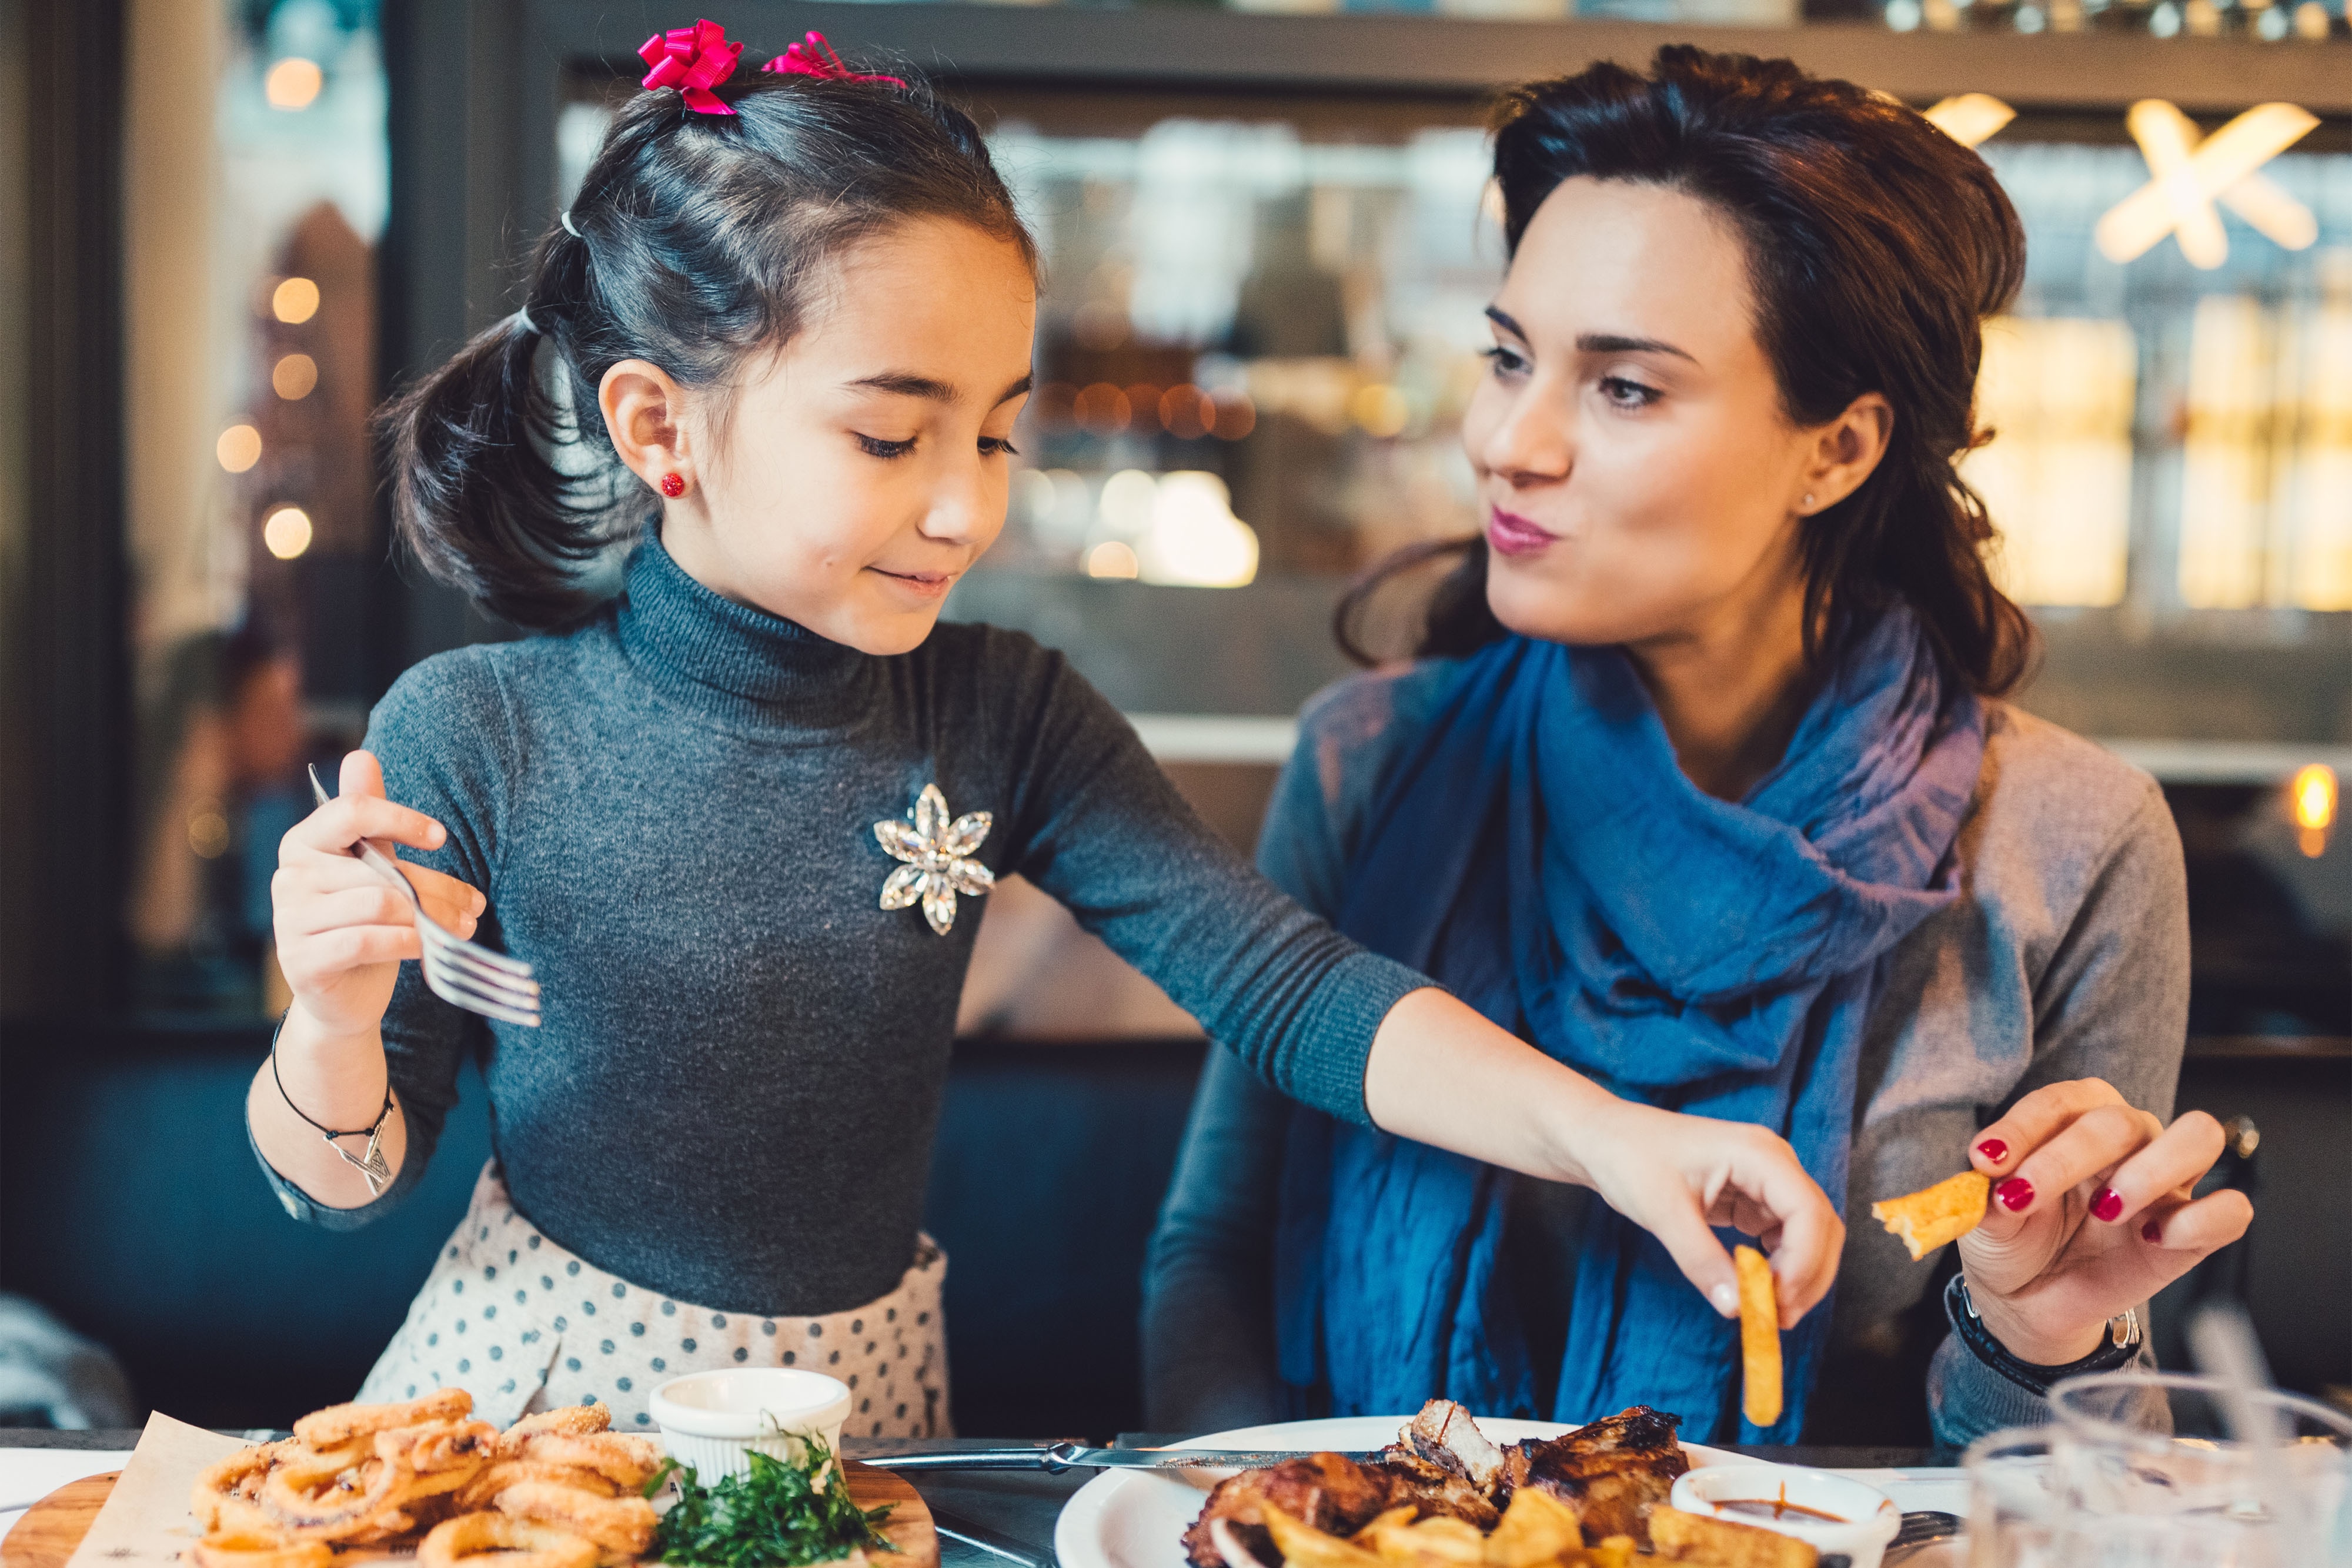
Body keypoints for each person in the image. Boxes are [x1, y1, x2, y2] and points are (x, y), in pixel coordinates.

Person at [250, 25, 1845, 1436]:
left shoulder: (1001, 710)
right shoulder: (477, 728)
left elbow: (1291, 990)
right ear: (662, 426)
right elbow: (339, 1189)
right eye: (890, 433)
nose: (964, 505)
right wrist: (327, 1019)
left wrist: (1619, 1140)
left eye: (997, 431)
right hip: (541, 1424)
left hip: (859, 1419)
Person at [1141, 47, 2254, 1448]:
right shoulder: (1370, 761)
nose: (1505, 439)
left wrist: (2037, 1335)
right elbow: (1210, 1255)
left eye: (1623, 390)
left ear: (1835, 450)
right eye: (1506, 357)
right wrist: (1253, 1524)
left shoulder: (2070, 840)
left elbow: (2049, 1472)